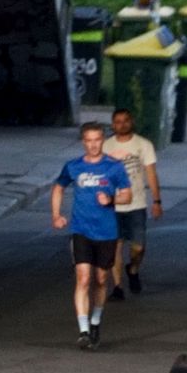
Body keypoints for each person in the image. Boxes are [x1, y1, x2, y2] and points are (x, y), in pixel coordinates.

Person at [50, 117, 132, 345]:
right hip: (81, 229)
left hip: (106, 232)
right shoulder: (73, 166)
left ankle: (96, 320)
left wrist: (112, 198)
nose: (93, 144)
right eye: (89, 140)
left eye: (97, 140)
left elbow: (128, 194)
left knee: (101, 278)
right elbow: (58, 187)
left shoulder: (114, 167)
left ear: (102, 141)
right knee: (83, 278)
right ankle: (84, 331)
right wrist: (56, 215)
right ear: (83, 142)